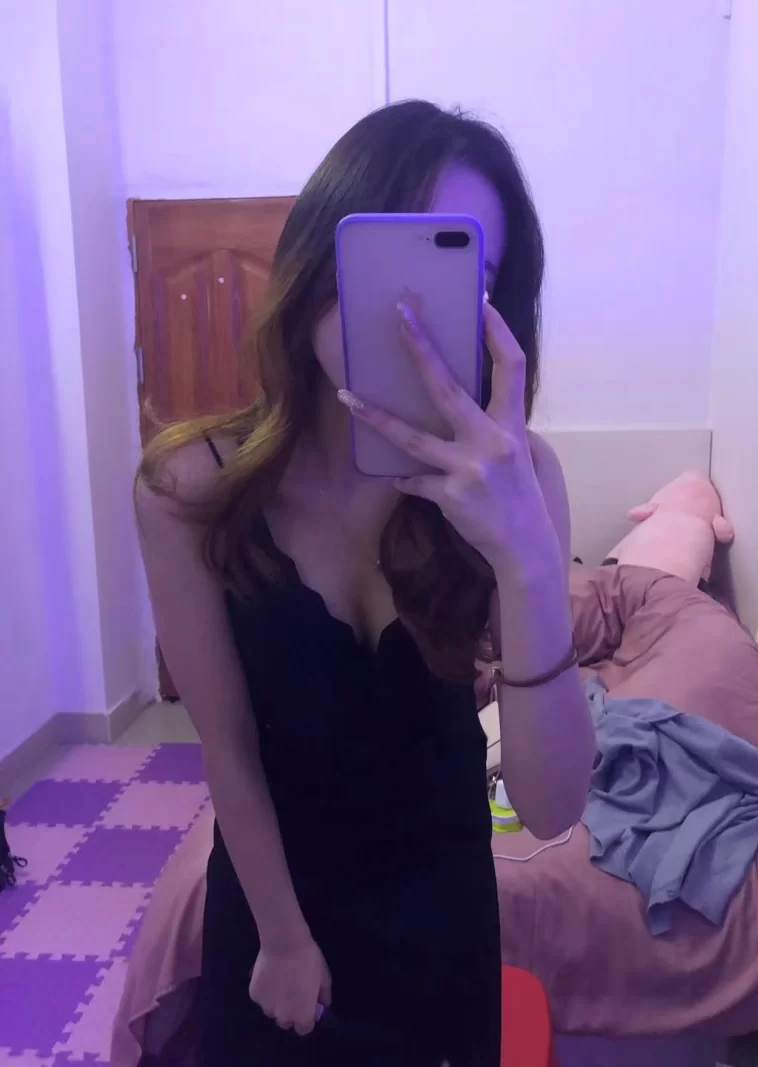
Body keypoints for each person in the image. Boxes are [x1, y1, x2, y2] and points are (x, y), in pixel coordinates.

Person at [135, 100, 594, 1067]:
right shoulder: (191, 489)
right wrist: (282, 938)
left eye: (464, 273)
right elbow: (230, 746)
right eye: (389, 257)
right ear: (318, 257)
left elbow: (553, 806)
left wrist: (525, 557)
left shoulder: (523, 483)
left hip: (443, 921)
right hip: (274, 917)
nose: (410, 310)